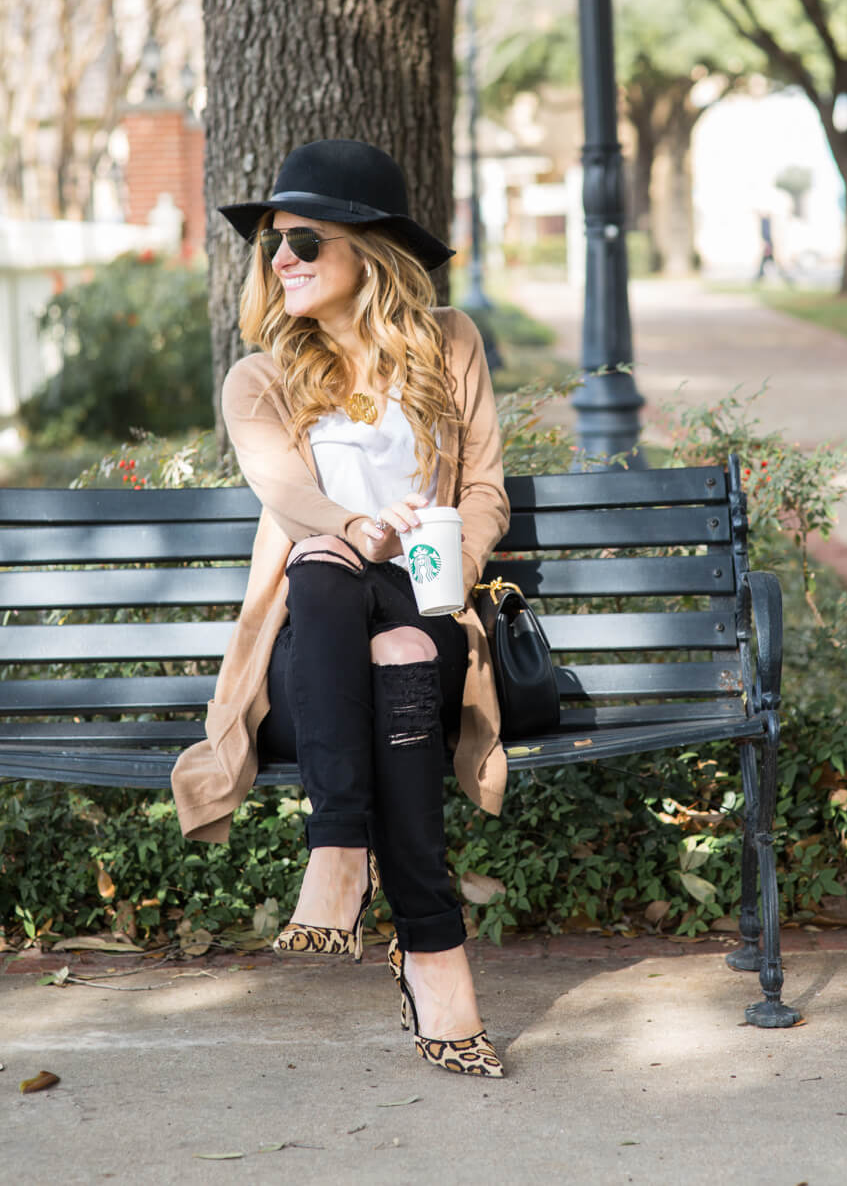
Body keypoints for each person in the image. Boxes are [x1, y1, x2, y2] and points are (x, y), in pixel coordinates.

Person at [171, 139, 509, 1078]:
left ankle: (344, 855)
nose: (282, 258)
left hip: (426, 602)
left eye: (306, 240)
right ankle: (422, 940)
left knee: (404, 643)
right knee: (322, 569)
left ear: (371, 251)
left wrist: (447, 550)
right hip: (311, 641)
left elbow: (484, 486)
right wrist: (360, 528)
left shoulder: (451, 344)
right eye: (274, 243)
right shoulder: (261, 379)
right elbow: (287, 495)